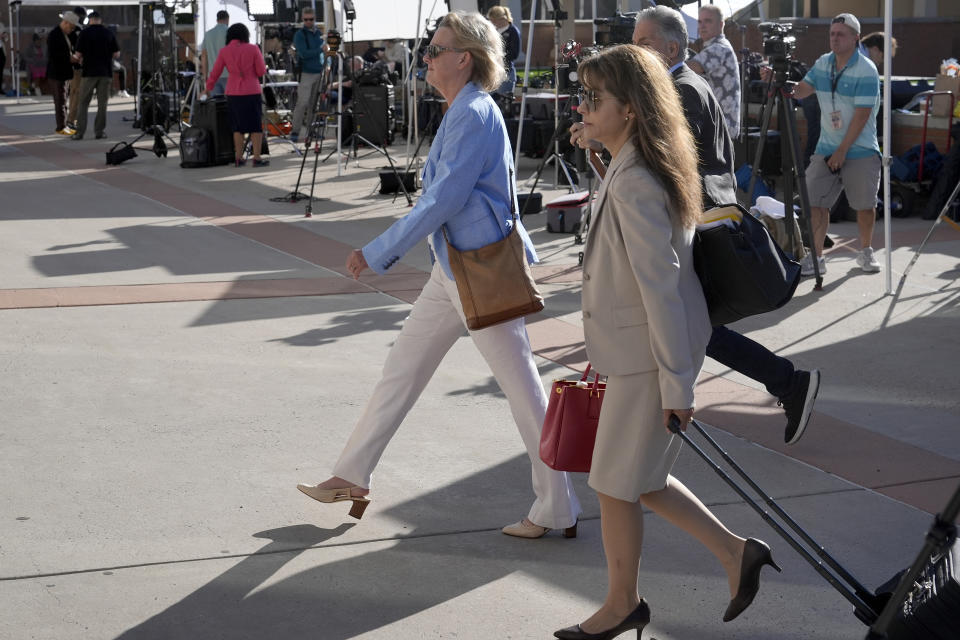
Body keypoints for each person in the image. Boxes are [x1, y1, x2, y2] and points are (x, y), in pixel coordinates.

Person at [296, 11, 581, 540]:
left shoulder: (473, 113)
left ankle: (558, 506)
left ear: (463, 58)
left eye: (435, 49)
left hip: (478, 271)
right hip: (455, 269)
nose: (425, 57)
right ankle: (351, 476)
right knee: (401, 372)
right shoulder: (463, 110)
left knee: (523, 393)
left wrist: (380, 250)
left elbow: (444, 199)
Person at [555, 44, 778, 640]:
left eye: (594, 99)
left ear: (629, 109)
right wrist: (601, 154)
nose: (583, 107)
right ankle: (732, 554)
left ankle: (624, 602)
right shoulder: (638, 166)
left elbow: (664, 289)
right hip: (636, 354)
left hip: (644, 360)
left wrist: (678, 383)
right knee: (635, 479)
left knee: (617, 481)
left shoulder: (636, 181)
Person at [572, 5, 820, 446]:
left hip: (694, 226)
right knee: (691, 324)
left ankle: (785, 381)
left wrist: (603, 141)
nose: (635, 50)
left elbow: (654, 166)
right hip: (693, 222)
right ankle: (785, 382)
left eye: (643, 43)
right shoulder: (678, 86)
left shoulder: (681, 90)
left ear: (672, 47)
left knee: (689, 323)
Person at [783, 13, 881, 276]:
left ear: (855, 38)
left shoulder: (866, 69)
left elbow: (862, 116)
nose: (834, 39)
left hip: (860, 148)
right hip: (826, 147)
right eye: (832, 33)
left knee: (864, 206)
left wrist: (842, 151)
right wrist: (784, 84)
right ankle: (816, 258)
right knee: (814, 202)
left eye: (841, 34)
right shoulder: (824, 63)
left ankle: (866, 251)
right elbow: (804, 89)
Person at [205, 23, 268, 167]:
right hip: (252, 91)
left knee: (237, 127)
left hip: (233, 92)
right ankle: (256, 158)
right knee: (255, 126)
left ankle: (239, 158)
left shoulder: (224, 51)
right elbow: (260, 71)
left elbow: (215, 72)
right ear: (245, 35)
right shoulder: (253, 49)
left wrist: (207, 87)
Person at [688, 4, 740, 139]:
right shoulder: (715, 46)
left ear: (721, 24)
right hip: (718, 128)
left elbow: (691, 67)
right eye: (699, 21)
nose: (702, 26)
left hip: (721, 130)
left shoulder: (719, 48)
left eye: (708, 21)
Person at [72, 11, 119, 140]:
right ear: (100, 20)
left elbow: (78, 54)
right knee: (102, 104)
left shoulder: (84, 33)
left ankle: (79, 132)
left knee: (83, 103)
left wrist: (77, 58)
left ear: (90, 20)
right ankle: (99, 132)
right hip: (105, 73)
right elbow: (116, 54)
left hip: (89, 72)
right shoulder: (109, 33)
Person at [289, 7, 326, 144]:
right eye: (306, 20)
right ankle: (295, 131)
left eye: (311, 19)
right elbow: (304, 54)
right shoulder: (300, 35)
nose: (309, 22)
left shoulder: (318, 33)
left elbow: (322, 53)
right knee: (302, 102)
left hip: (319, 72)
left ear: (315, 19)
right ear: (302, 19)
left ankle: (311, 130)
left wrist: (326, 64)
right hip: (306, 72)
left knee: (313, 104)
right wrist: (320, 50)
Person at [45, 10, 80, 135]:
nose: (71, 30)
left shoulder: (64, 34)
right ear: (65, 23)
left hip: (62, 73)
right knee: (60, 101)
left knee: (63, 100)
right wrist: (71, 59)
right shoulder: (55, 35)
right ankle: (61, 127)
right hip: (57, 73)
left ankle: (64, 125)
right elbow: (55, 55)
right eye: (70, 27)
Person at [486, 5, 521, 97]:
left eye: (493, 20)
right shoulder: (494, 31)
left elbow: (514, 54)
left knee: (503, 101)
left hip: (506, 72)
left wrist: (499, 56)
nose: (492, 23)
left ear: (502, 18)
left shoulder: (513, 31)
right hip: (493, 71)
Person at [65, 6, 87, 132]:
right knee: (76, 94)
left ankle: (67, 119)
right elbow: (80, 49)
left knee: (67, 93)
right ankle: (70, 120)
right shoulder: (78, 29)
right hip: (76, 66)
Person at [201, 10, 229, 97]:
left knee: (217, 106)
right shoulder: (230, 32)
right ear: (227, 19)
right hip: (229, 74)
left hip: (213, 75)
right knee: (231, 104)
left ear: (217, 20)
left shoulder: (208, 34)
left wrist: (205, 75)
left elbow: (204, 56)